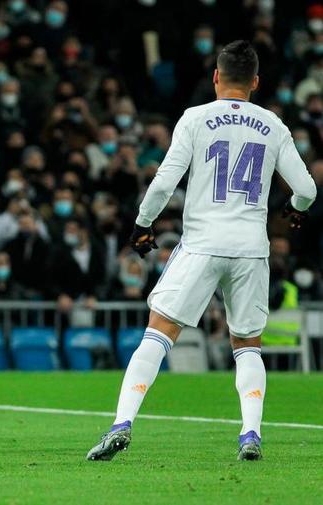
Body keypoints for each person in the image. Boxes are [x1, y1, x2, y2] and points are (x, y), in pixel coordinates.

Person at [86, 41, 317, 462]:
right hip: (250, 247)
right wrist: (293, 212)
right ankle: (250, 433)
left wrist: (142, 224)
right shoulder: (274, 124)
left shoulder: (195, 118)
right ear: (256, 82)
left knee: (158, 333)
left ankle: (122, 423)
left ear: (216, 76)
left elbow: (163, 182)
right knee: (247, 345)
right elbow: (306, 189)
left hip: (202, 243)